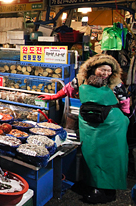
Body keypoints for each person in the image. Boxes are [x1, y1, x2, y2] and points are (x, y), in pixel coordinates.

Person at [39, 54, 130, 204]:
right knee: (91, 154)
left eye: (108, 71)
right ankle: (93, 184)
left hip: (111, 125)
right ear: (94, 68)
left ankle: (107, 191)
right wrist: (53, 97)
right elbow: (68, 89)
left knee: (110, 157)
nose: (105, 73)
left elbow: (124, 101)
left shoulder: (115, 83)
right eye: (102, 69)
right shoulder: (82, 80)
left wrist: (126, 118)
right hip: (90, 124)